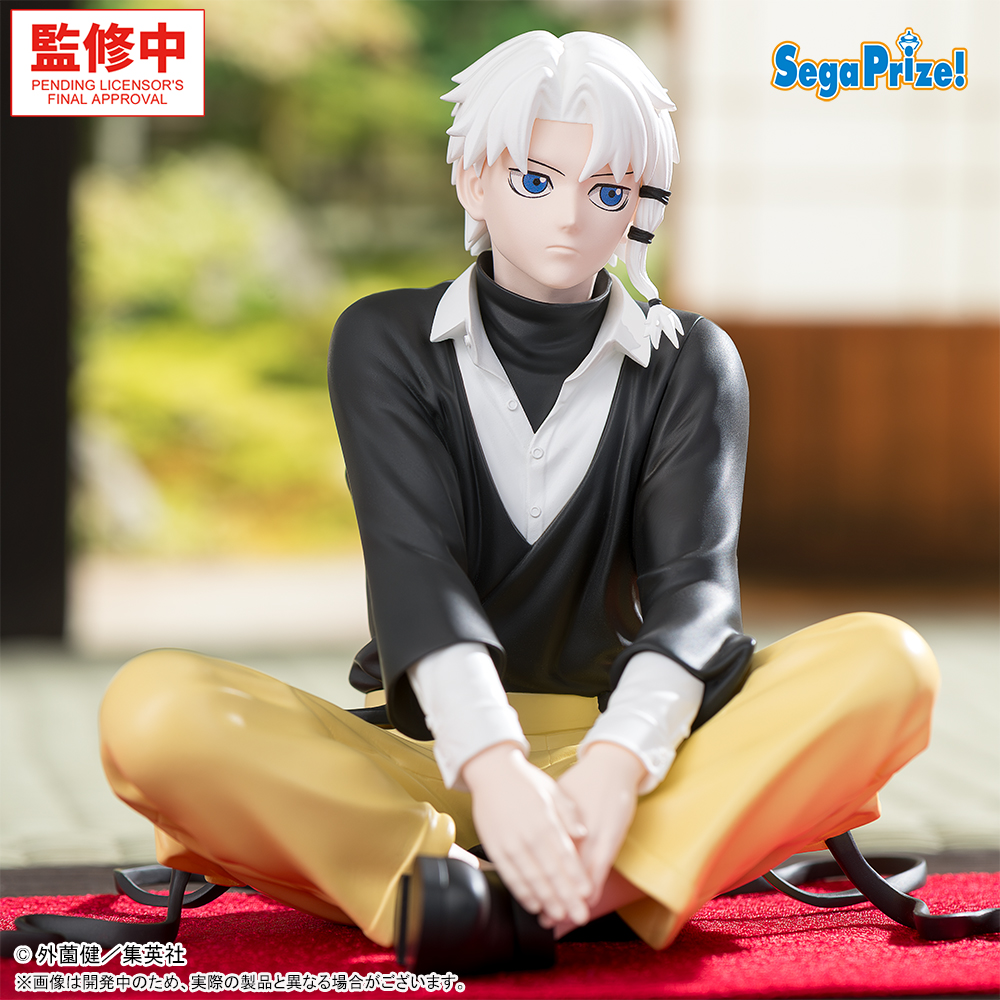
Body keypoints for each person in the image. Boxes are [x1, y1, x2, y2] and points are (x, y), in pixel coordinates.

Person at [100, 30, 938, 973]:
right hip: (417, 758)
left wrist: (619, 763)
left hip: (624, 760)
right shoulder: (384, 340)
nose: (571, 218)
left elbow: (698, 597)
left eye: (609, 191)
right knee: (152, 708)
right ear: (472, 180)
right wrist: (494, 767)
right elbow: (415, 572)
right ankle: (518, 884)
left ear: (640, 207)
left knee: (886, 663)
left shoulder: (689, 362)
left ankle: (519, 894)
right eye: (536, 180)